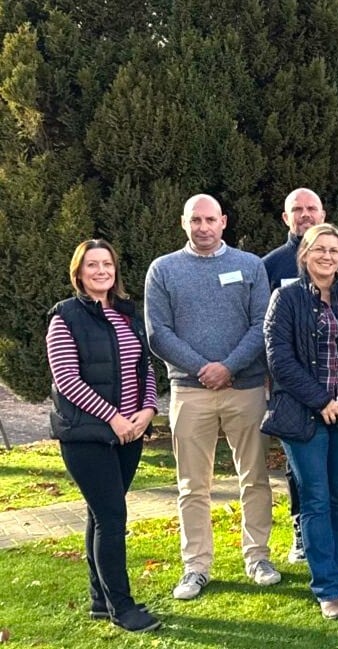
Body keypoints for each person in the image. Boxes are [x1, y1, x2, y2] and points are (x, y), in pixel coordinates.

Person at [145, 194, 279, 600]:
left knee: (255, 477)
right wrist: (203, 367)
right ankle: (196, 566)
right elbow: (158, 333)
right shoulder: (163, 270)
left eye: (210, 219)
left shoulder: (250, 265)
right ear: (183, 223)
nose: (203, 227)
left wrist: (229, 367)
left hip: (246, 389)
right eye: (195, 220)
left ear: (224, 222)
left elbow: (263, 325)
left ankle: (257, 556)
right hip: (190, 391)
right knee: (192, 484)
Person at [262, 223, 338, 619]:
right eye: (319, 250)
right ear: (305, 254)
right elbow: (279, 359)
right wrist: (322, 401)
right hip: (303, 417)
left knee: (336, 496)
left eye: (334, 250)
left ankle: (336, 574)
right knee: (314, 497)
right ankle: (328, 588)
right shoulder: (286, 298)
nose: (327, 256)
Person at [45, 240, 162, 633]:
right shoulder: (65, 317)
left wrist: (147, 411)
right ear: (78, 272)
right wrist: (114, 418)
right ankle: (122, 608)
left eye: (107, 264)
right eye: (92, 265)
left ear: (115, 270)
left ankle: (100, 599)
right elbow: (67, 381)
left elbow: (144, 369)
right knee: (113, 518)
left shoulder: (128, 315)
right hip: (87, 436)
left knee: (101, 515)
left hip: (129, 433)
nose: (100, 271)